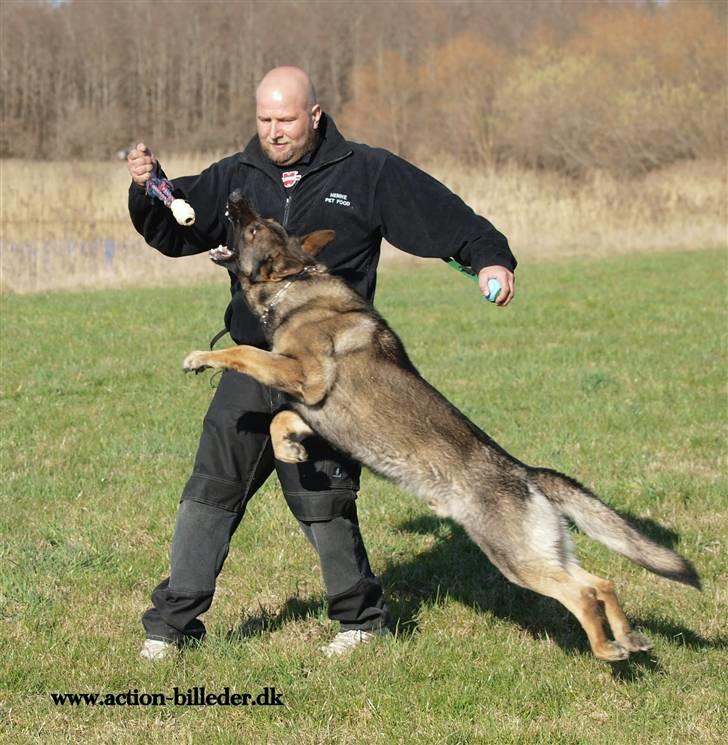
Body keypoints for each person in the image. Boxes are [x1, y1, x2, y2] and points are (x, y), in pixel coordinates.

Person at [128, 66, 516, 660]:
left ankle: (361, 622)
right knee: (212, 486)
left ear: (314, 114)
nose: (274, 131)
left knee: (321, 496)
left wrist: (488, 259)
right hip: (257, 357)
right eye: (264, 120)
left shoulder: (366, 171)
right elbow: (176, 227)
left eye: (285, 119)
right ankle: (171, 627)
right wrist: (148, 188)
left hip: (334, 370)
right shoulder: (238, 172)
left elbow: (444, 218)